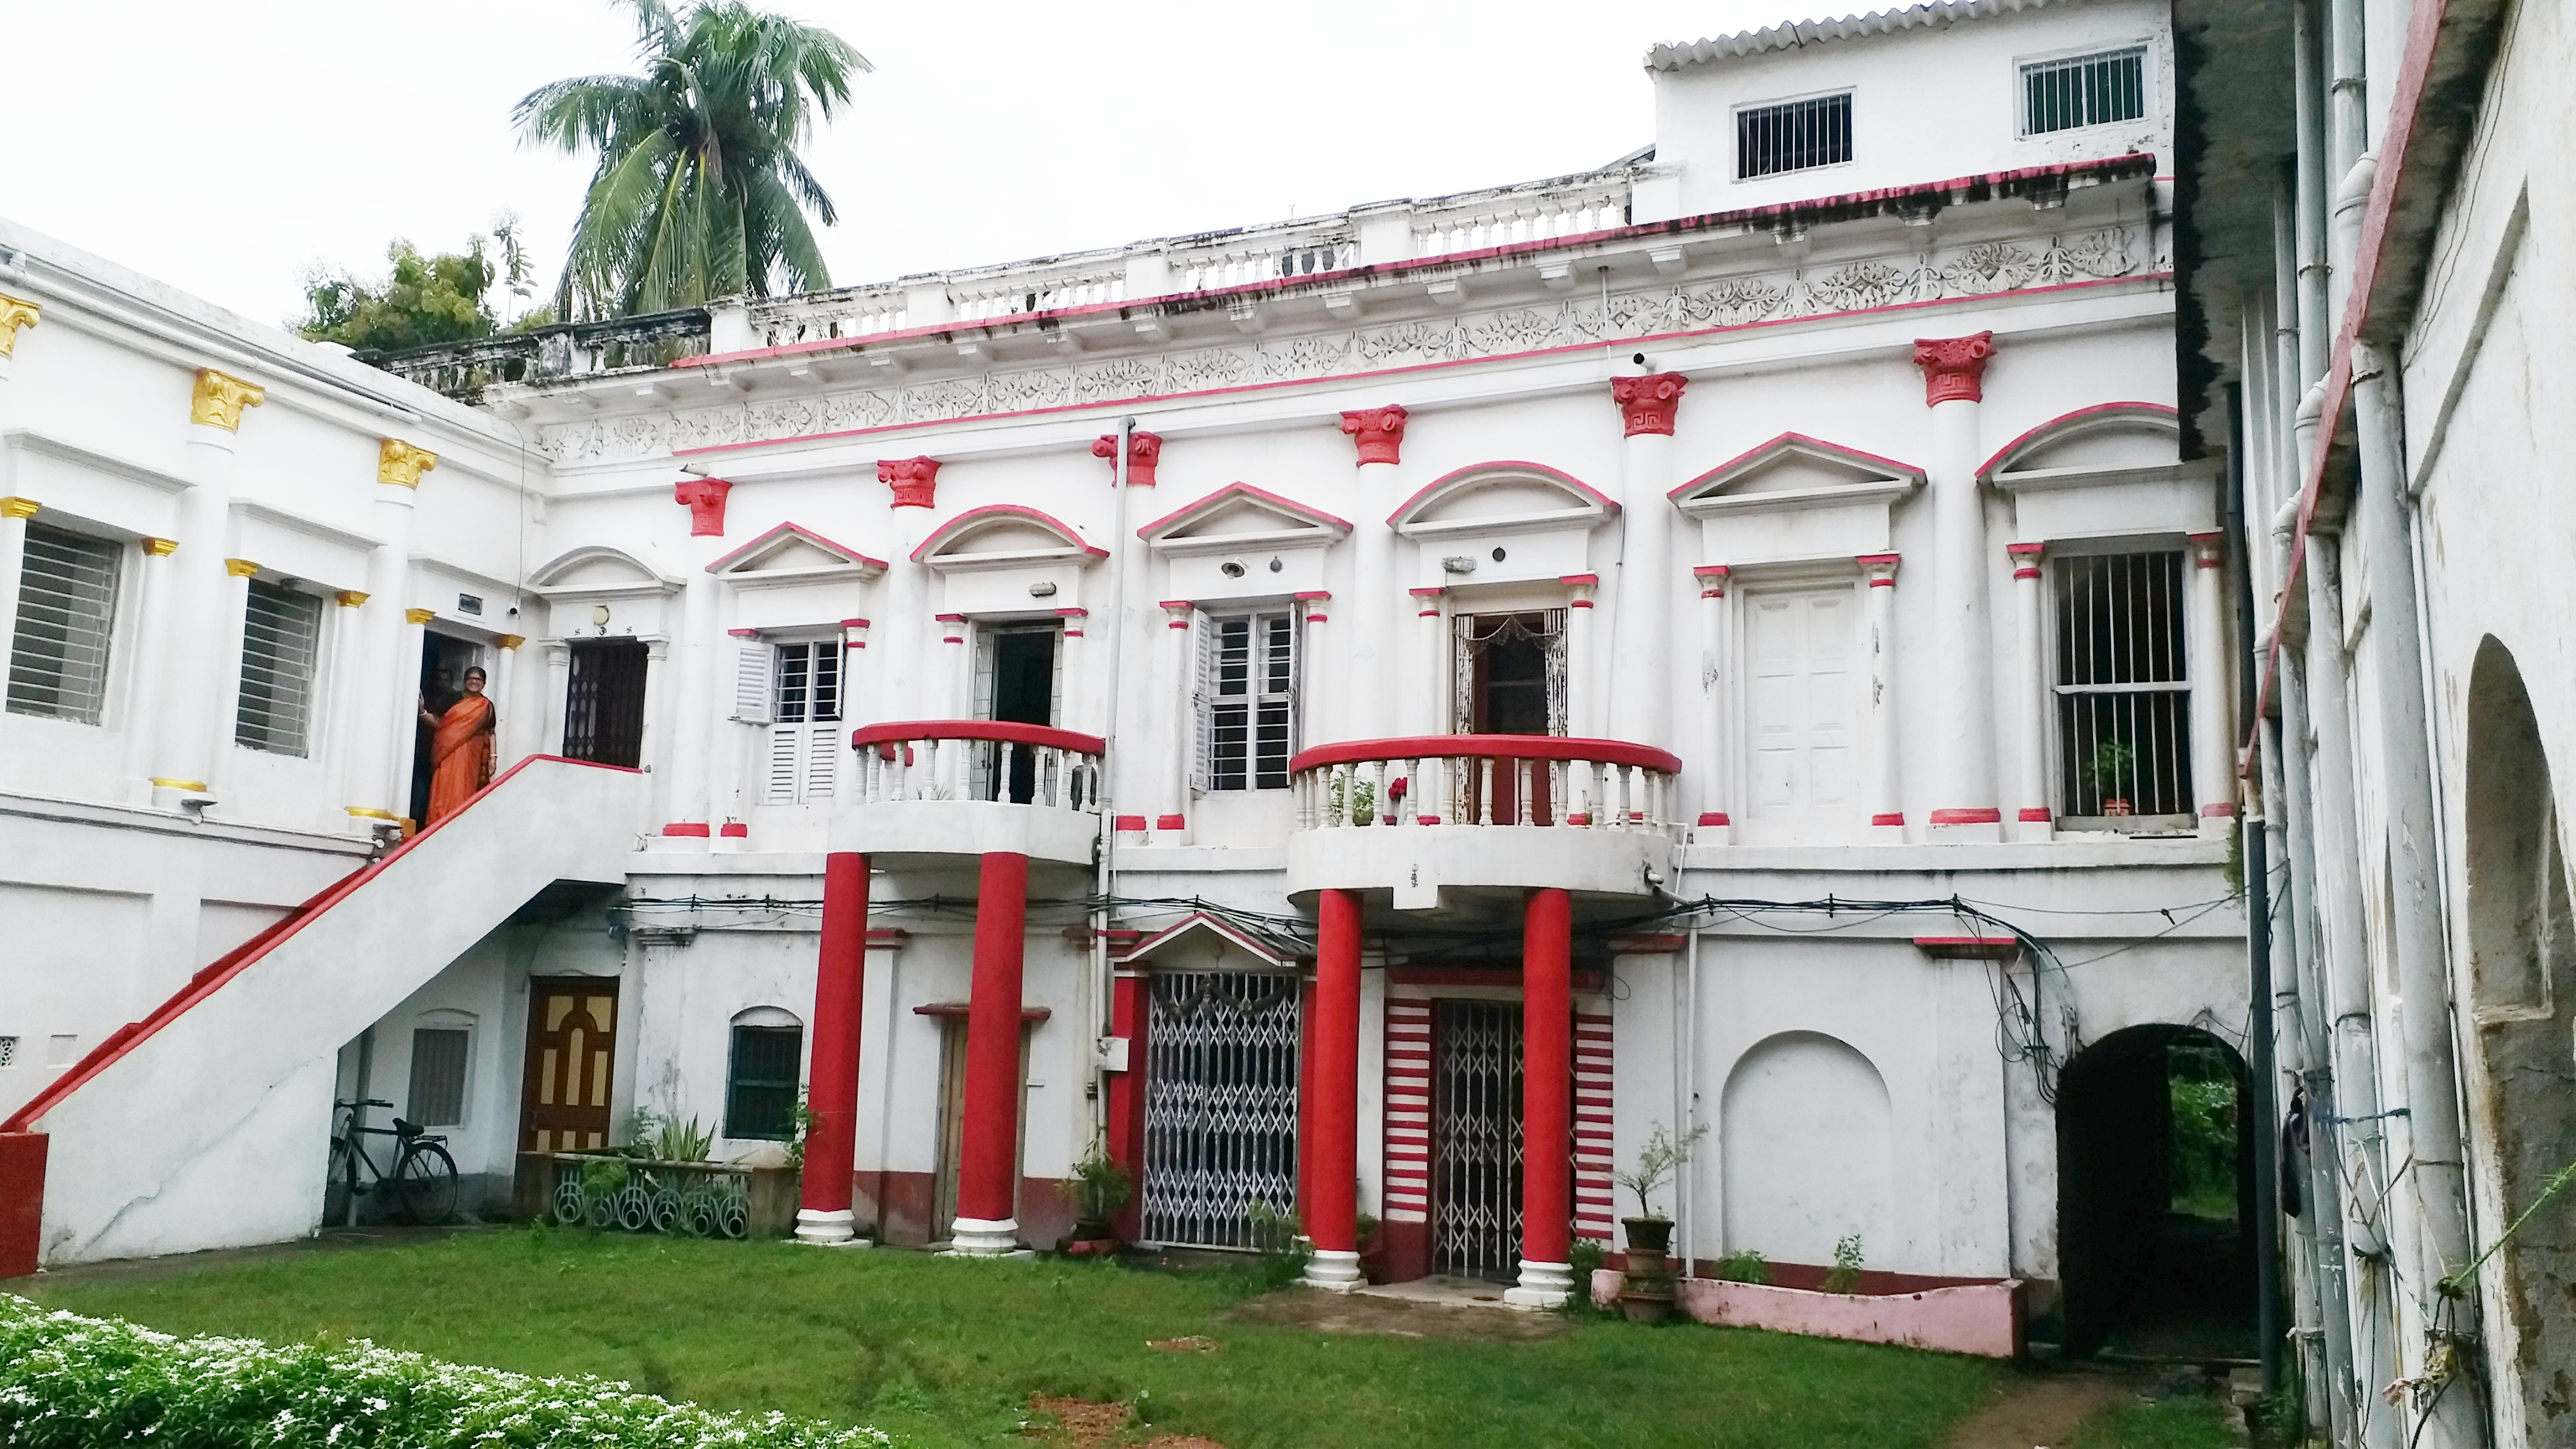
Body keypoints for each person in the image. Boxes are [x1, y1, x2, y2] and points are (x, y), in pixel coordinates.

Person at [419, 666, 498, 826]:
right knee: (444, 790)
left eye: (478, 680)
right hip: (447, 752)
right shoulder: (452, 699)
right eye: (471, 678)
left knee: (465, 790)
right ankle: (438, 824)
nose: (474, 682)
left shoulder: (486, 706)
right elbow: (438, 722)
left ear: (484, 684)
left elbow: (491, 732)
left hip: (472, 756)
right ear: (465, 681)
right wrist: (422, 712)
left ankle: (461, 824)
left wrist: (493, 758)